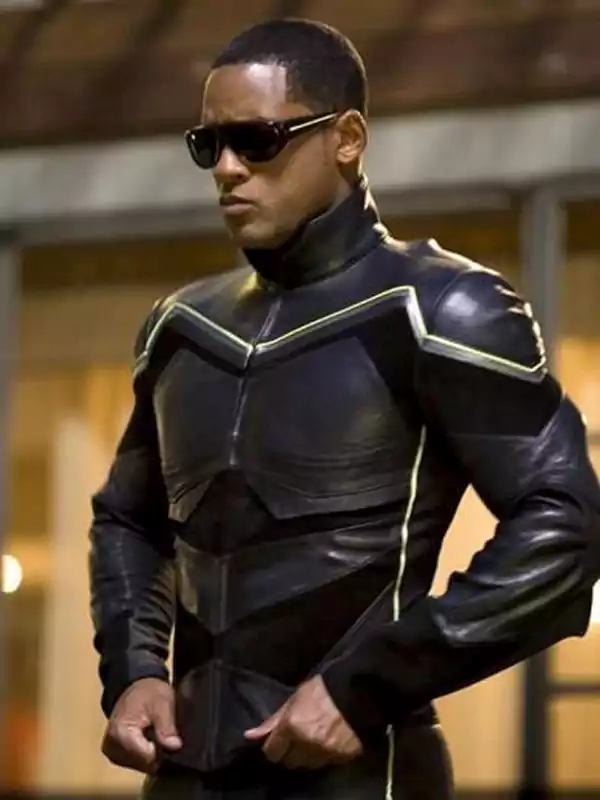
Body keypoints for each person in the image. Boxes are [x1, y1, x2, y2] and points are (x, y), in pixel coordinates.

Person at [88, 17, 600, 800]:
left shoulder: (440, 309)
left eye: (257, 139)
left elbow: (566, 529)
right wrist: (131, 672)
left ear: (348, 138)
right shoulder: (181, 327)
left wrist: (368, 684)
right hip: (184, 775)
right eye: (208, 144)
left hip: (367, 775)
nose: (227, 168)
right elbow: (128, 520)